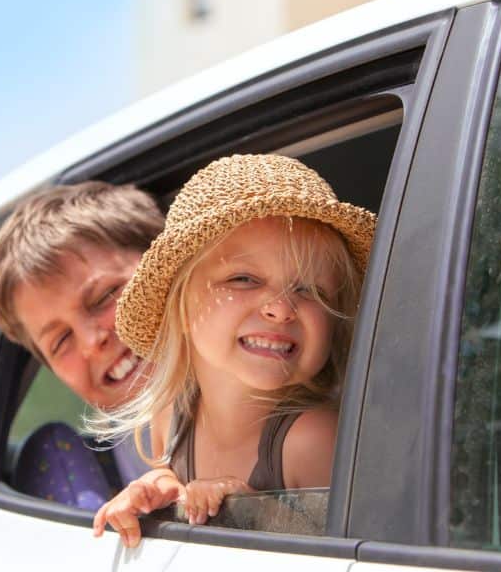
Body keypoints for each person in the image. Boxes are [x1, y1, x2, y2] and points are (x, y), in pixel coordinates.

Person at [90, 153, 376, 547]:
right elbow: (169, 475)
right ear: (180, 306)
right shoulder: (171, 416)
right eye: (244, 279)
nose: (281, 308)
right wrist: (157, 487)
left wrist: (254, 511)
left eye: (309, 290)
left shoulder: (310, 440)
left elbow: (348, 550)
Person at [0, 181, 165, 508]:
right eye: (62, 340)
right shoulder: (112, 482)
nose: (92, 342)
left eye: (105, 296)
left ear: (173, 262)